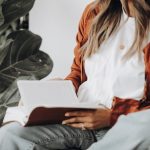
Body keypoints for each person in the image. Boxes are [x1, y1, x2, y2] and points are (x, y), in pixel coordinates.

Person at [0, 0, 150, 149]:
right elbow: (78, 72)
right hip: (79, 120)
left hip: (127, 128)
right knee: (10, 135)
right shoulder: (95, 12)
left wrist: (112, 116)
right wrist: (61, 88)